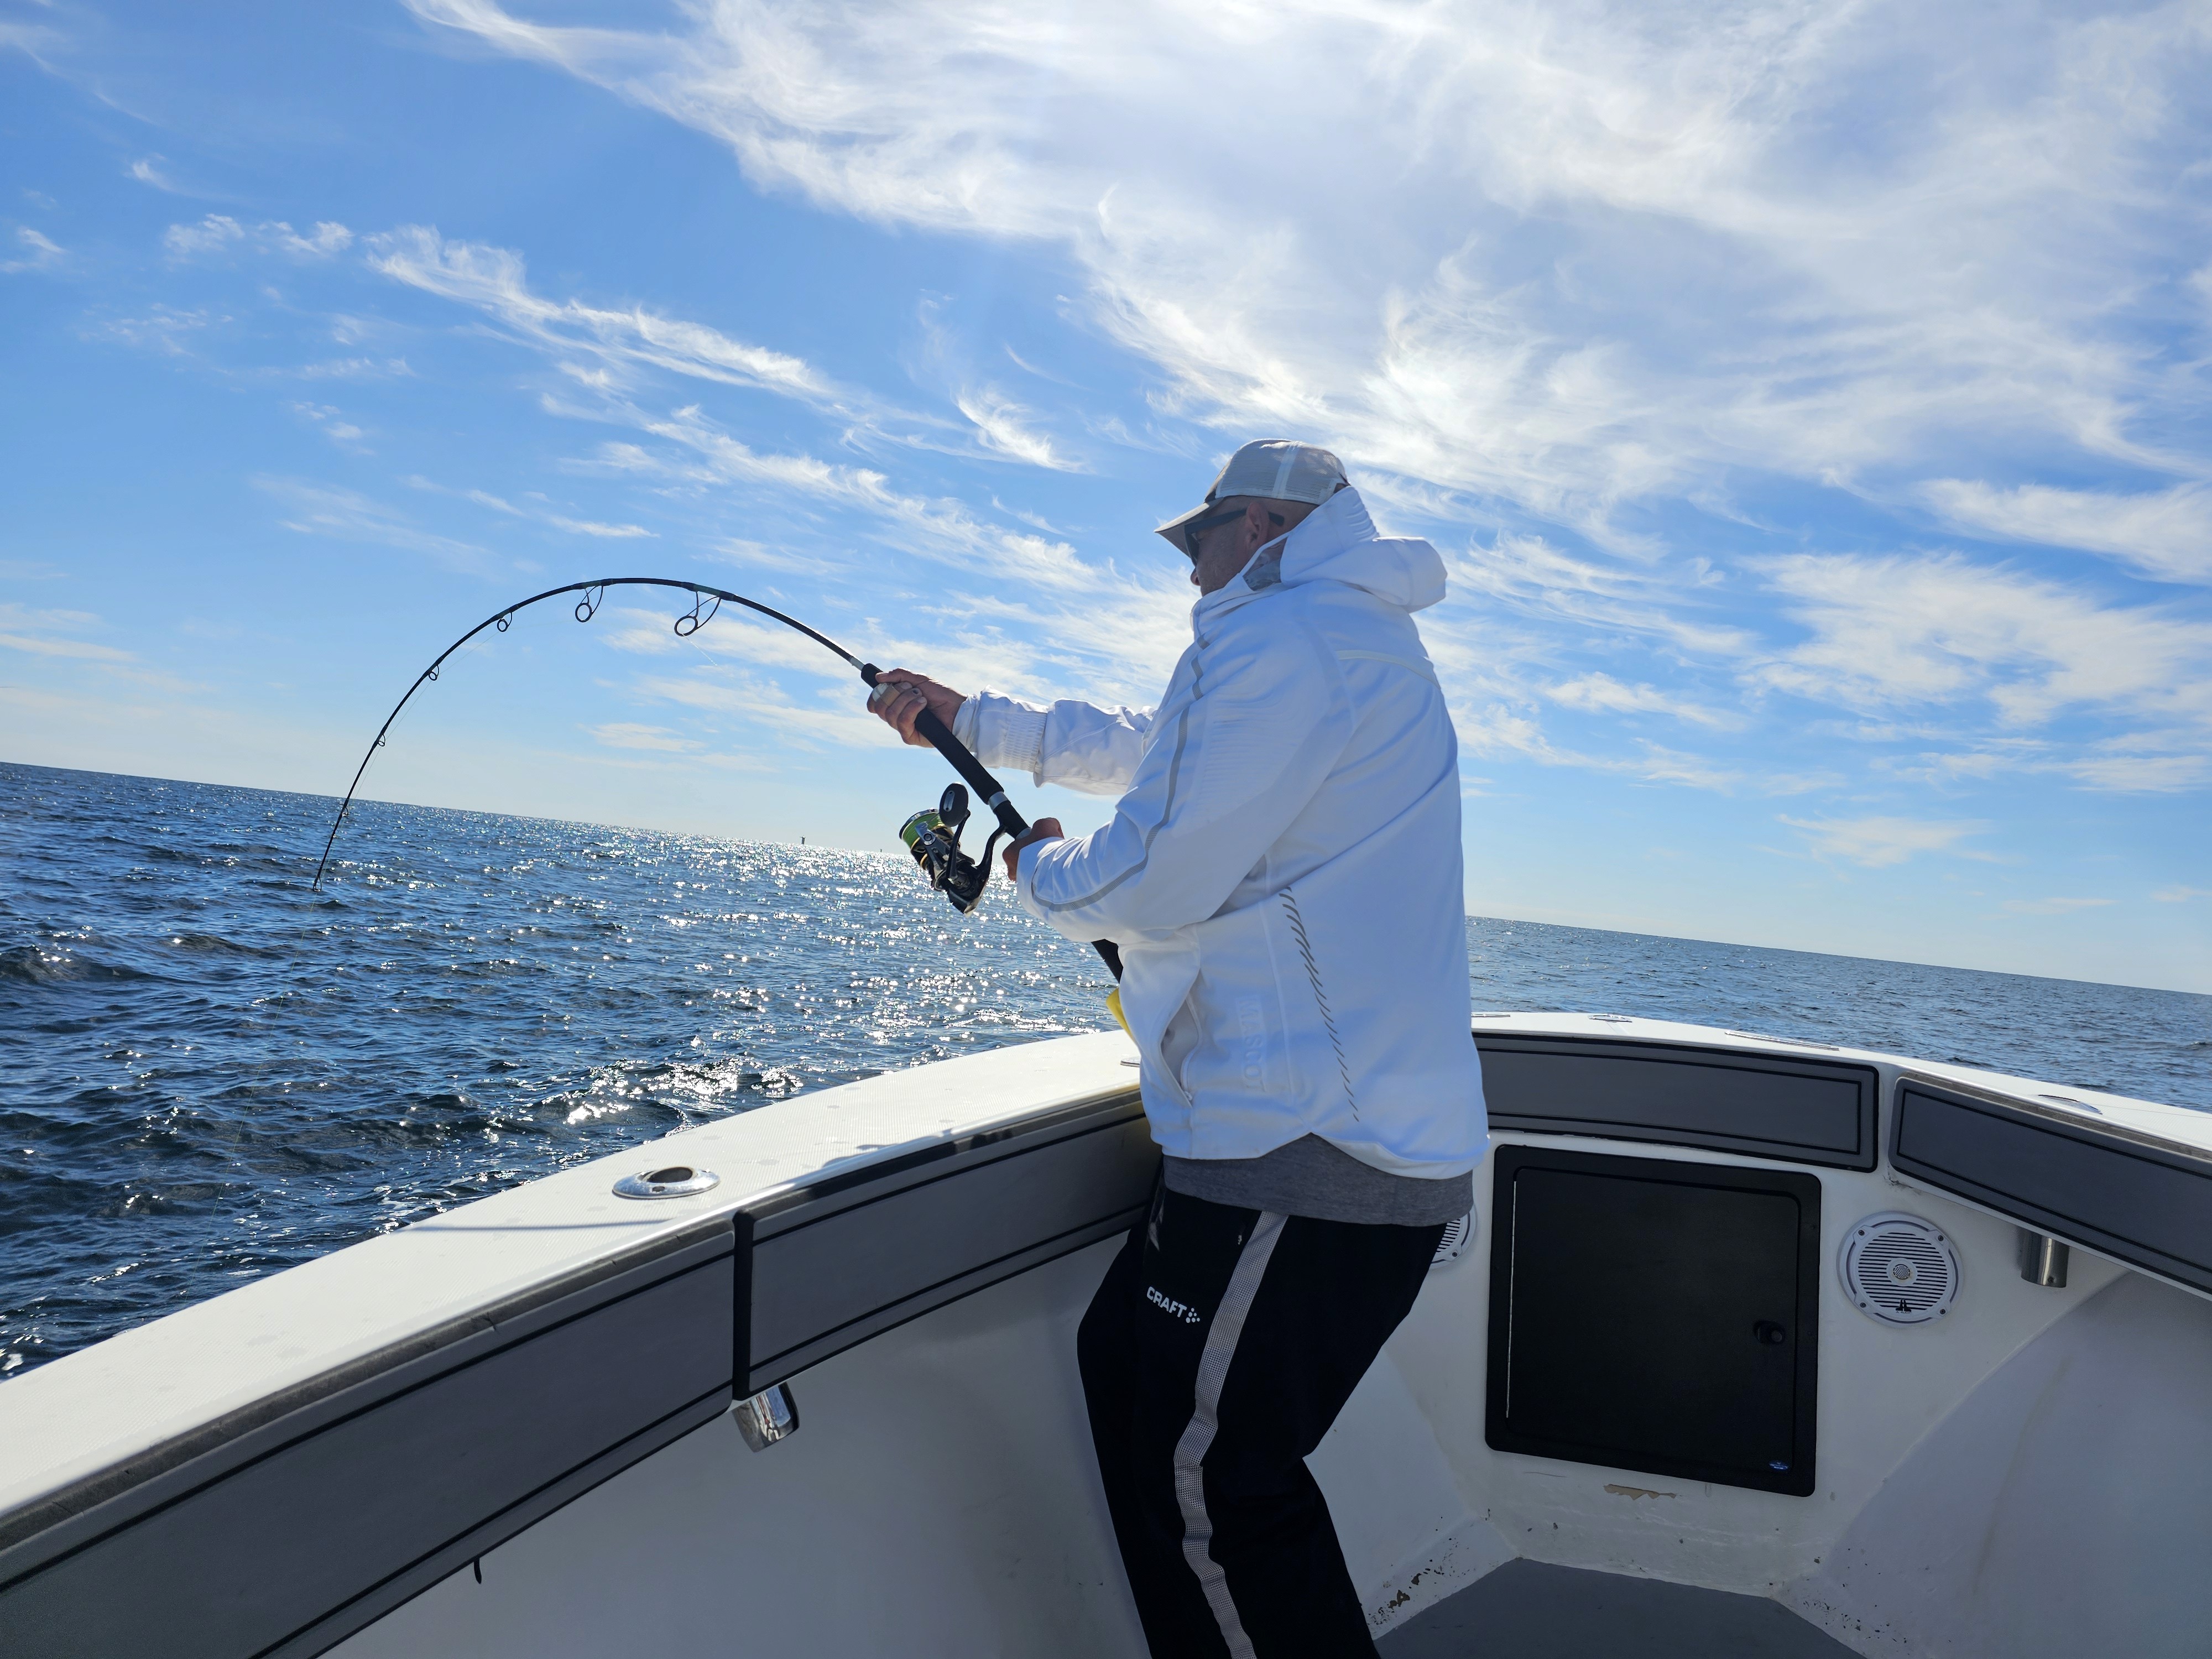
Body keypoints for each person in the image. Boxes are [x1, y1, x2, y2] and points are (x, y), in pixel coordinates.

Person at [869, 440, 1486, 1657]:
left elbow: (1153, 877)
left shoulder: (1283, 642)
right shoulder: (1344, 636)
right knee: (1124, 1366)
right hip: (1324, 1145)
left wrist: (1036, 867)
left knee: (1215, 1489)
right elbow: (1166, 744)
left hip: (1305, 1156)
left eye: (1195, 538)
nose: (1186, 567)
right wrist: (969, 720)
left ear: (1258, 523)